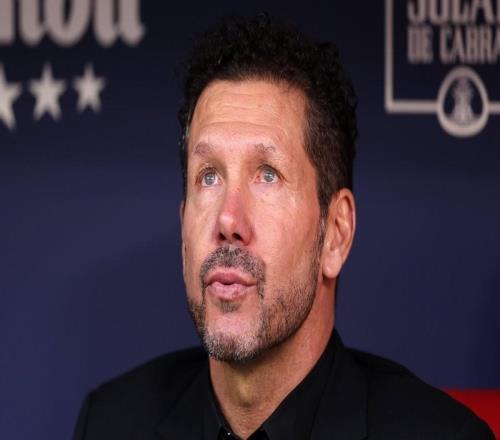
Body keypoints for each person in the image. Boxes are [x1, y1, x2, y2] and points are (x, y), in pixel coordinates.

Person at [73, 13, 494, 440]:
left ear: (336, 233)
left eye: (268, 175)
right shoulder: (110, 424)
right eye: (209, 176)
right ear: (183, 224)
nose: (228, 220)